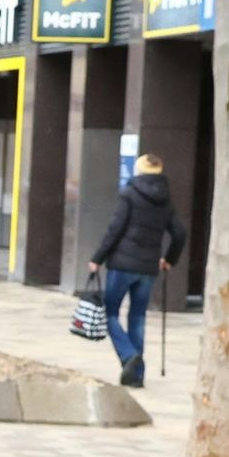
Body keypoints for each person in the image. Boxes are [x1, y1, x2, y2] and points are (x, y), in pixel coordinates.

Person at [88, 151, 179, 387]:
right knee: (137, 317)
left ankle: (129, 355)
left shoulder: (129, 193)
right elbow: (179, 233)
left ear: (139, 171)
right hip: (148, 268)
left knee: (110, 313)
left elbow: (115, 229)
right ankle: (136, 376)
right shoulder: (165, 200)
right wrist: (169, 259)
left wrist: (97, 258)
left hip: (122, 264)